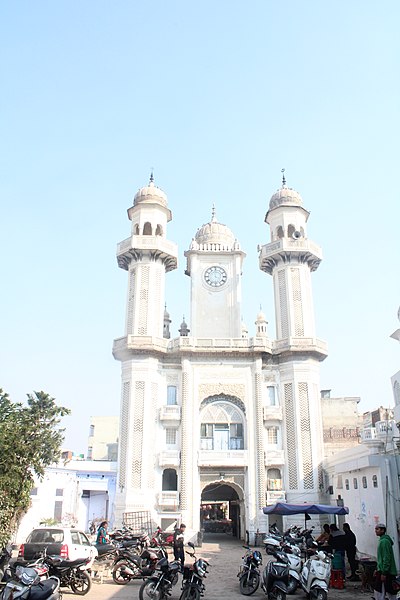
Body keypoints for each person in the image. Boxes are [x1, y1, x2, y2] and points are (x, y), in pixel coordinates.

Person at [373, 523, 397, 600]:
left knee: (385, 592)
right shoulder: (383, 541)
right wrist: (377, 569)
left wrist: (384, 572)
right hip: (383, 570)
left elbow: (386, 558)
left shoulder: (384, 542)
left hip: (386, 571)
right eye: (375, 529)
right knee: (383, 591)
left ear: (383, 530)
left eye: (377, 529)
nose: (376, 531)